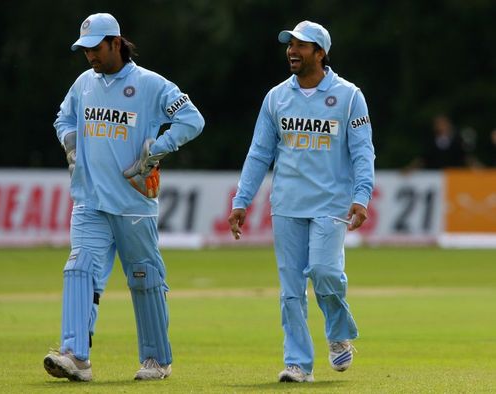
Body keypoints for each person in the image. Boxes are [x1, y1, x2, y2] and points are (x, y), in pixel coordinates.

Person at [43, 13, 204, 382]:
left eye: (96, 48)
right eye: (84, 49)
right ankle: (75, 355)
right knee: (79, 268)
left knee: (144, 278)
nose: (90, 56)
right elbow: (63, 119)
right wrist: (70, 144)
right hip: (89, 201)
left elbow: (192, 120)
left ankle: (155, 360)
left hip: (133, 203)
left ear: (116, 42)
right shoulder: (84, 83)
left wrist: (156, 150)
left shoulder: (150, 84)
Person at [228, 21, 375, 383]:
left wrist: (361, 196)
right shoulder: (276, 97)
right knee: (291, 289)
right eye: (290, 45)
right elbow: (259, 153)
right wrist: (241, 200)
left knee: (325, 273)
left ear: (320, 53)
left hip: (330, 203)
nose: (292, 51)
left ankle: (338, 331)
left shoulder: (349, 95)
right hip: (287, 204)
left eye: (302, 46)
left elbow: (362, 152)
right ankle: (297, 363)